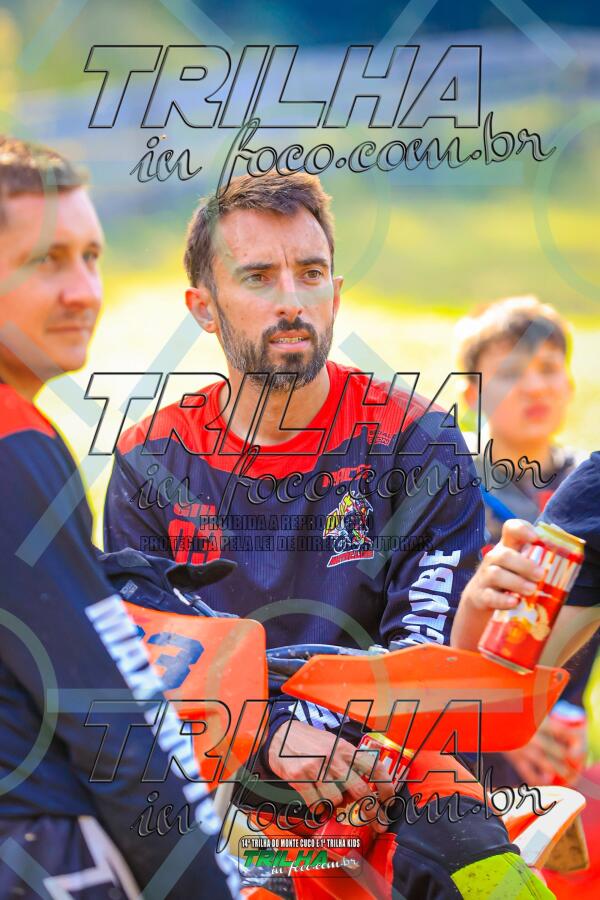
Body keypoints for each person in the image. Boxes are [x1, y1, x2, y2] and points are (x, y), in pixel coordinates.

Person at [104, 172, 551, 898]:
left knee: (484, 869)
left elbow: (422, 650)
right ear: (204, 308)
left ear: (335, 293)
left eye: (310, 274)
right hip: (231, 779)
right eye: (258, 276)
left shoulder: (419, 441)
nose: (291, 300)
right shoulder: (150, 459)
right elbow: (154, 663)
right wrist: (270, 733)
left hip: (392, 763)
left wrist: (337, 746)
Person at [0, 136, 239, 898]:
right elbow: (113, 717)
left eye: (92, 257)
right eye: (47, 261)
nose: (83, 291)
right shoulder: (14, 445)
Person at [454, 295, 598, 788]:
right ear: (471, 394)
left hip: (561, 735)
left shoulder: (589, 486)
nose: (534, 386)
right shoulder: (449, 488)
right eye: (511, 373)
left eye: (548, 369)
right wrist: (502, 725)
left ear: (569, 385)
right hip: (469, 735)